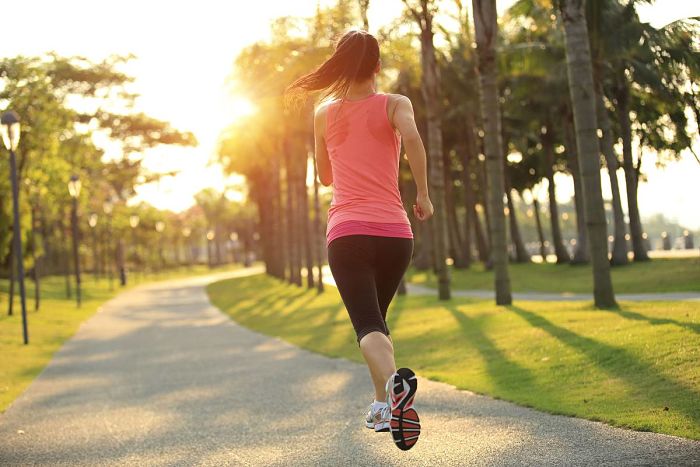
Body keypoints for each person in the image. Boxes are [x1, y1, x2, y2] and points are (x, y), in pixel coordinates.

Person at [285, 29, 433, 452]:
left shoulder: (323, 112)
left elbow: (324, 176)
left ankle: (393, 388)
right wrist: (422, 194)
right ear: (378, 67)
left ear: (339, 66)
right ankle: (383, 406)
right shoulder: (395, 104)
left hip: (348, 233)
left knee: (367, 326)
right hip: (395, 234)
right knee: (377, 323)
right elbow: (414, 141)